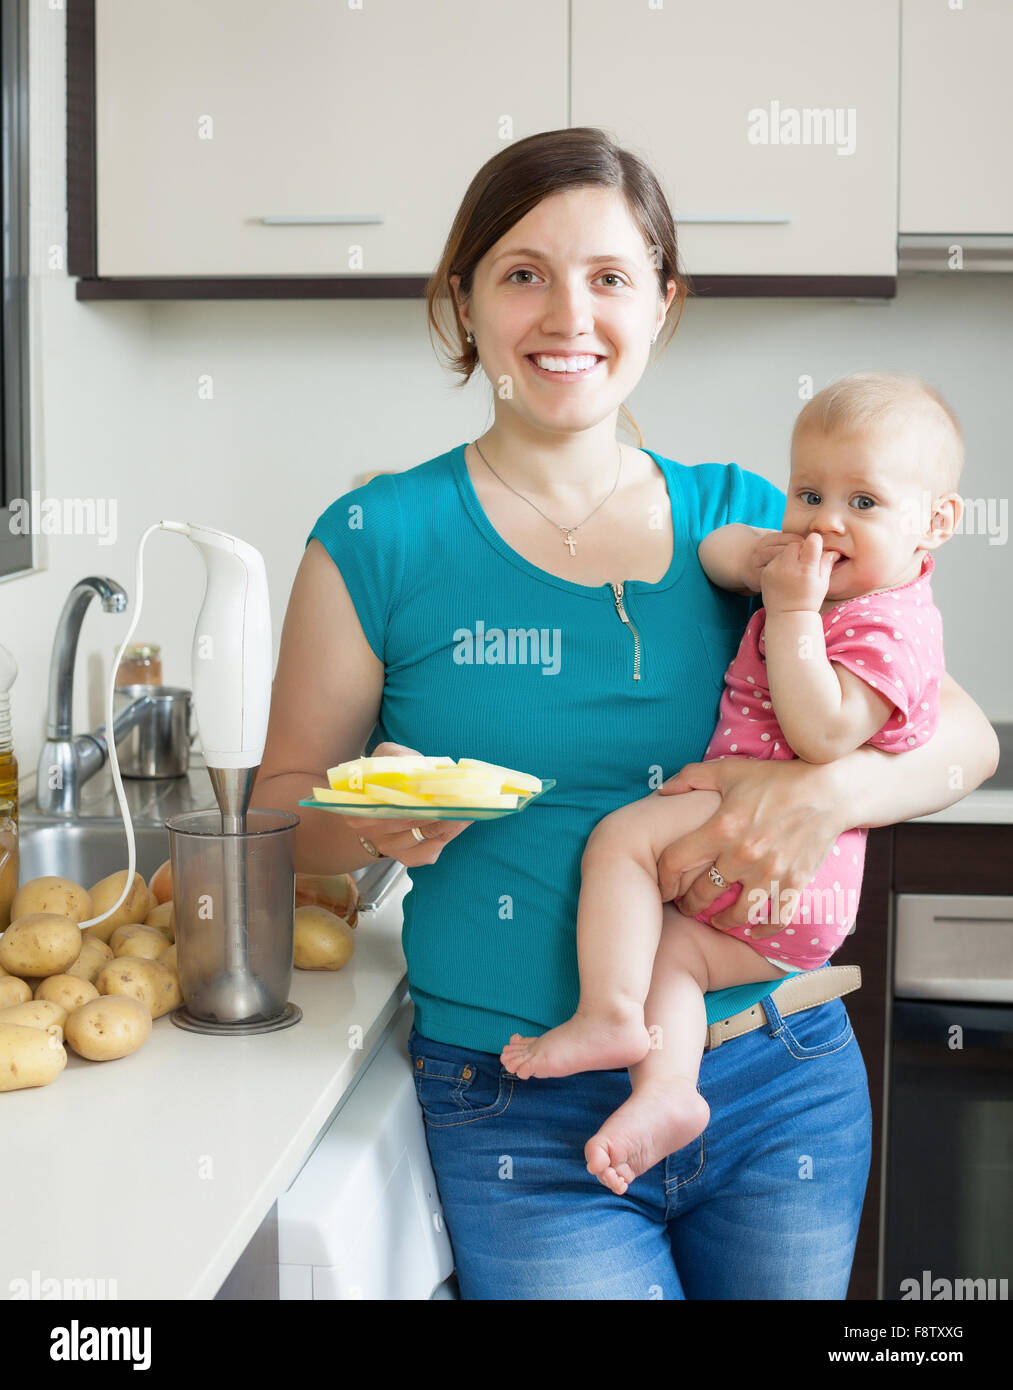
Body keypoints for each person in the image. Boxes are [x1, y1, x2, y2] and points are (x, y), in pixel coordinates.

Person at [251, 129, 999, 1299]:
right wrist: (374, 820)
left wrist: (828, 793)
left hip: (774, 1073)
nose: (567, 314)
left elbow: (959, 736)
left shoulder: (756, 524)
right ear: (463, 301)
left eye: (608, 276)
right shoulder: (375, 538)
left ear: (661, 303)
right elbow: (279, 819)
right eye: (521, 272)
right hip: (516, 1102)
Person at [499, 371, 962, 1199]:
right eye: (809, 492)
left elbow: (823, 735)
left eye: (864, 502)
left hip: (787, 854)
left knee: (620, 843)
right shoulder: (823, 585)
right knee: (673, 961)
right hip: (776, 911)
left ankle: (607, 1014)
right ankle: (669, 1092)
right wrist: (761, 560)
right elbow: (714, 556)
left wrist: (787, 614)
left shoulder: (887, 626)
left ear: (937, 522)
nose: (825, 521)